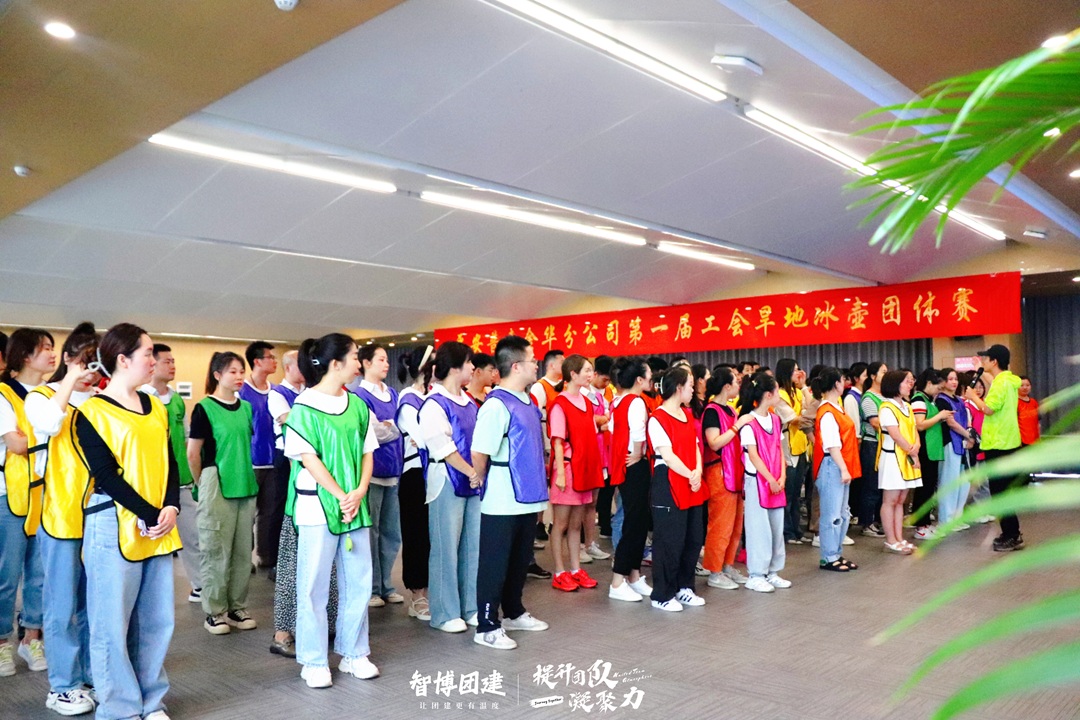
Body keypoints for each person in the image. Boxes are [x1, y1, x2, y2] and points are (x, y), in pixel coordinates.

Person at [74, 323, 181, 720]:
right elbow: (105, 475)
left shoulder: (156, 406)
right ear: (123, 359)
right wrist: (152, 514)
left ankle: (151, 701)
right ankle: (119, 708)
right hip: (112, 525)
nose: (155, 360)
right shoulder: (92, 413)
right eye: (148, 353)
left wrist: (171, 507)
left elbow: (170, 462)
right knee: (111, 624)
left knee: (156, 621)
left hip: (158, 524)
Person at [283, 333, 379, 688]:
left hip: (355, 505)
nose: (359, 363)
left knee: (358, 581)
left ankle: (354, 653)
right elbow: (309, 459)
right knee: (313, 586)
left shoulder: (357, 405)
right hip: (317, 507)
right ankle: (313, 660)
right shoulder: (304, 407)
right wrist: (341, 495)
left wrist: (360, 491)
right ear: (336, 363)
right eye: (354, 357)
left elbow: (368, 452)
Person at [25, 323, 99, 715]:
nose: (91, 370)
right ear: (69, 359)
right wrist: (70, 378)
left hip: (99, 518)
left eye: (96, 362)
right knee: (61, 604)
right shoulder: (40, 397)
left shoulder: (102, 400)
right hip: (59, 517)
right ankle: (62, 686)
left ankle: (88, 676)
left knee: (92, 605)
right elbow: (50, 424)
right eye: (85, 360)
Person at [470, 336, 551, 649]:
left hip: (528, 496)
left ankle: (514, 611)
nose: (536, 365)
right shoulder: (496, 405)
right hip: (502, 498)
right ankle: (487, 625)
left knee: (519, 560)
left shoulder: (528, 402)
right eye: (532, 360)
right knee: (495, 563)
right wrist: (482, 479)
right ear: (516, 366)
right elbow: (480, 453)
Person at [187, 352, 259, 635]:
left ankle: (236, 607)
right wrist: (201, 484)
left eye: (241, 371)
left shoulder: (247, 408)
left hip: (245, 482)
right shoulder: (204, 408)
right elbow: (193, 453)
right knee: (216, 550)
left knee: (243, 551)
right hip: (216, 481)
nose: (239, 376)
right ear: (217, 375)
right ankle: (214, 612)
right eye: (232, 371)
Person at [0, 327, 54, 679]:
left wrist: (34, 435)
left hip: (47, 493)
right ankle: (2, 641)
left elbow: (27, 440)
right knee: (7, 575)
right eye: (44, 348)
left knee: (40, 573)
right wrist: (48, 434)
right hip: (10, 496)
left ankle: (31, 637)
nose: (52, 353)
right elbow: (16, 444)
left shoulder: (51, 394)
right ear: (23, 355)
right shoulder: (4, 394)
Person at [420, 341, 481, 633]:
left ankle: (471, 606)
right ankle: (444, 612)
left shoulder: (469, 402)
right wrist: (471, 471)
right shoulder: (434, 403)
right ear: (455, 367)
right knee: (446, 547)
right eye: (469, 362)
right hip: (446, 479)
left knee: (472, 546)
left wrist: (477, 473)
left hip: (473, 481)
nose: (473, 367)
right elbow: (442, 447)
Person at [141, 344, 200, 602]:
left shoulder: (176, 399)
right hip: (153, 482)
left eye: (174, 361)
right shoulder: (142, 397)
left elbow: (185, 439)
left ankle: (200, 585)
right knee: (153, 538)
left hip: (181, 480)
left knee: (193, 536)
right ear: (152, 364)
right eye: (167, 361)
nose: (172, 365)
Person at [646, 367, 707, 612]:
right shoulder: (657, 418)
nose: (694, 389)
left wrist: (698, 471)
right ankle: (662, 594)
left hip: (691, 482)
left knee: (693, 538)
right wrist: (690, 474)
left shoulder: (686, 414)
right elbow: (668, 456)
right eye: (691, 385)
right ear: (679, 388)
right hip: (670, 482)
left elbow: (695, 447)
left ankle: (684, 587)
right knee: (669, 541)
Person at [352, 344, 405, 609]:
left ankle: (387, 585)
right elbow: (375, 432)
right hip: (372, 473)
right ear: (366, 363)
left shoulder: (392, 393)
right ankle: (372, 588)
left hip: (394, 470)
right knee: (370, 533)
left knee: (391, 533)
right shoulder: (359, 395)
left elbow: (393, 427)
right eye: (381, 360)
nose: (387, 364)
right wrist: (395, 426)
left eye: (386, 360)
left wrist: (390, 426)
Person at [547, 355, 603, 592]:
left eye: (591, 370)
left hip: (584, 469)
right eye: (587, 370)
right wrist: (560, 474)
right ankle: (559, 572)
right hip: (568, 469)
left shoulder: (587, 402)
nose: (590, 375)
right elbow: (558, 442)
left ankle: (575, 569)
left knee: (576, 524)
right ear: (573, 374)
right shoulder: (560, 404)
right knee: (560, 524)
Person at [965, 344, 1024, 551]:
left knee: (1000, 493)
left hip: (998, 444)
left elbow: (989, 409)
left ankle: (1011, 535)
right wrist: (980, 370)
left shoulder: (1000, 384)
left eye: (986, 359)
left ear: (994, 361)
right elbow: (994, 382)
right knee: (1003, 491)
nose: (984, 361)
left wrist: (973, 397)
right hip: (1008, 442)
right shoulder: (1008, 380)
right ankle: (1011, 532)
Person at [738, 373, 790, 593]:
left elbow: (779, 449)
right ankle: (756, 574)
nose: (779, 395)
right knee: (759, 529)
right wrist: (770, 479)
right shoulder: (748, 422)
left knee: (776, 528)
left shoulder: (775, 419)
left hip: (776, 482)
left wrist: (782, 476)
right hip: (758, 482)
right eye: (777, 391)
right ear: (768, 395)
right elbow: (753, 455)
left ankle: (773, 571)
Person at [607, 358, 654, 602]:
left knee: (638, 521)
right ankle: (617, 582)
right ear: (639, 379)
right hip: (634, 465)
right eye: (648, 375)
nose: (651, 379)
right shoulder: (636, 401)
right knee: (634, 524)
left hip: (624, 465)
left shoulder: (618, 401)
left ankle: (634, 576)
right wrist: (637, 453)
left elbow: (612, 429)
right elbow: (637, 433)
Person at [701, 366, 752, 589]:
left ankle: (727, 564)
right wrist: (737, 426)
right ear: (726, 386)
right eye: (736, 382)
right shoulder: (712, 411)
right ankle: (714, 570)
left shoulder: (730, 410)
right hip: (719, 471)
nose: (739, 386)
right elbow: (714, 443)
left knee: (735, 524)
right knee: (720, 524)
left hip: (735, 470)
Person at [395, 346, 434, 622]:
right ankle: (417, 595)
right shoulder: (408, 399)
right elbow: (424, 438)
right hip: (415, 473)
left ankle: (435, 591)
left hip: (438, 472)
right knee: (417, 535)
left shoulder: (436, 396)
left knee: (435, 536)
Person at [811, 367, 861, 572]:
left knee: (842, 513)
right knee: (831, 514)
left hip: (840, 464)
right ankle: (828, 556)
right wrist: (843, 469)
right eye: (842, 380)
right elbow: (831, 445)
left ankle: (836, 553)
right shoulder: (827, 411)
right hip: (832, 465)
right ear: (836, 384)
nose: (845, 383)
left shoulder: (836, 407)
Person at [265, 350, 305, 585]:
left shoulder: (307, 391)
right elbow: (288, 419)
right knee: (281, 506)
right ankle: (275, 560)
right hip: (284, 455)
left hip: (304, 456)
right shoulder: (277, 393)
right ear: (288, 367)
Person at [241, 340, 279, 569]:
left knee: (269, 512)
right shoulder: (242, 391)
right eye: (270, 357)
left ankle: (265, 556)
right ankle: (245, 559)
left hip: (273, 461)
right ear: (257, 361)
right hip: (251, 461)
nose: (274, 361)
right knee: (247, 513)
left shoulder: (276, 391)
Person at [877, 370, 922, 555]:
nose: (909, 384)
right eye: (905, 381)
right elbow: (895, 435)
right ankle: (891, 540)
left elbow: (914, 430)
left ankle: (899, 538)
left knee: (901, 500)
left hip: (907, 457)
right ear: (894, 385)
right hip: (892, 458)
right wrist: (912, 451)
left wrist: (916, 446)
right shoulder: (887, 408)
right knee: (890, 500)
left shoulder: (907, 406)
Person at [910, 369, 951, 540]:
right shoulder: (919, 399)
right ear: (928, 383)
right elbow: (919, 425)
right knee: (924, 488)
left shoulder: (929, 400)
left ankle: (926, 523)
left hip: (933, 448)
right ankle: (920, 525)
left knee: (929, 487)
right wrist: (940, 416)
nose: (938, 391)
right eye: (938, 388)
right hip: (925, 448)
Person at [775, 359, 810, 544]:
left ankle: (796, 530)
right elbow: (794, 419)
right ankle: (787, 532)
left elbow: (810, 408)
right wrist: (807, 416)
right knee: (788, 494)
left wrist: (803, 387)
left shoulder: (797, 392)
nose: (799, 373)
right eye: (796, 370)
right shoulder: (779, 395)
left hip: (801, 446)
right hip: (787, 448)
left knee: (796, 493)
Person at [935, 369, 973, 529]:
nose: (954, 382)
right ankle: (946, 520)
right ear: (943, 381)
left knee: (963, 482)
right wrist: (968, 435)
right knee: (949, 482)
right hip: (950, 442)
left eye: (955, 379)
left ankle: (957, 517)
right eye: (950, 379)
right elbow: (950, 422)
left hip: (963, 444)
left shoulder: (959, 400)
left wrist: (969, 436)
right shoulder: (941, 400)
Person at [858, 362, 888, 538]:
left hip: (884, 444)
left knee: (882, 485)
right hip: (872, 444)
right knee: (871, 485)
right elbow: (876, 423)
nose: (886, 375)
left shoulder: (885, 396)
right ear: (873, 376)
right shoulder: (869, 398)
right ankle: (867, 523)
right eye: (883, 372)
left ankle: (877, 520)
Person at [843, 363, 867, 525]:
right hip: (857, 443)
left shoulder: (864, 395)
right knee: (856, 482)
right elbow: (853, 425)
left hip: (862, 441)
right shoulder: (851, 398)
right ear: (856, 378)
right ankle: (854, 512)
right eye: (865, 375)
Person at [1018, 376, 1040, 447]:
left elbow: (1038, 422)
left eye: (1027, 385)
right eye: (1021, 385)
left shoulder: (1034, 402)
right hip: (1022, 441)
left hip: (1035, 440)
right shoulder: (1015, 402)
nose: (1025, 388)